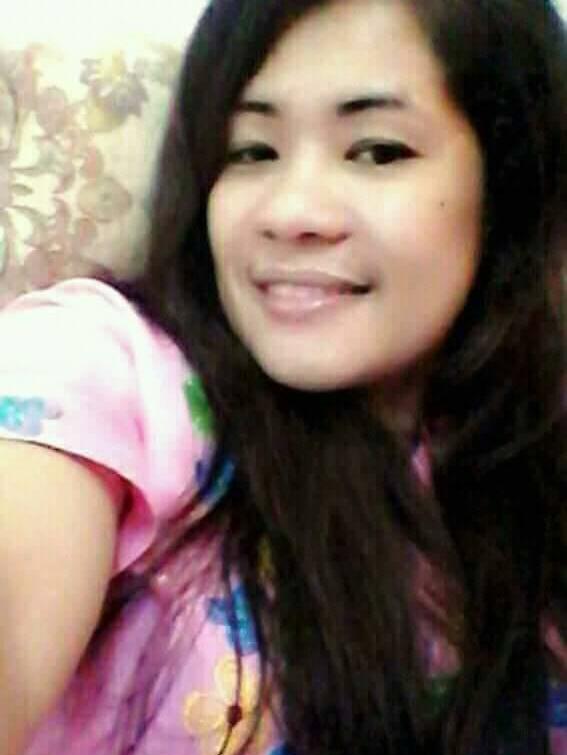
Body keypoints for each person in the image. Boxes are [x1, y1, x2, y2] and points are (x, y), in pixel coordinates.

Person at [0, 0, 564, 753]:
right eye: (251, 151)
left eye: (376, 151)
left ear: (506, 185)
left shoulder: (534, 449)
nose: (290, 212)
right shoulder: (109, 366)